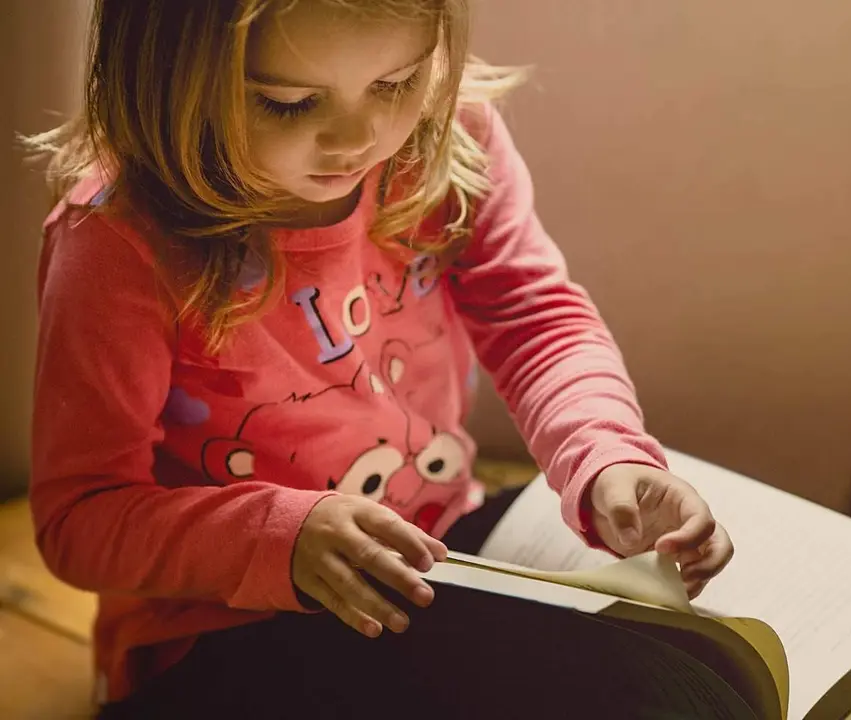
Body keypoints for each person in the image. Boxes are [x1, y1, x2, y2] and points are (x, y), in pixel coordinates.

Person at [25, 0, 734, 716]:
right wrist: (281, 539)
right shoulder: (118, 242)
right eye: (289, 102)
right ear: (163, 75)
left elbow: (535, 317)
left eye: (395, 83)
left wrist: (607, 453)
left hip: (445, 551)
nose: (358, 139)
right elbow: (80, 519)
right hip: (222, 631)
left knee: (683, 677)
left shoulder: (446, 142)